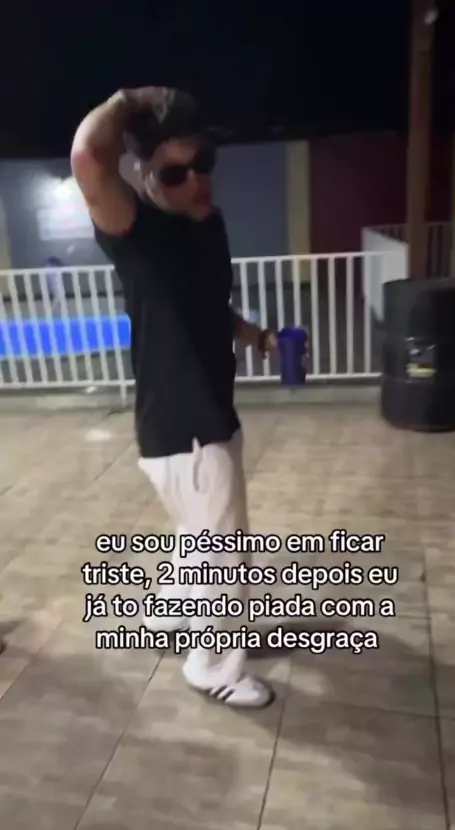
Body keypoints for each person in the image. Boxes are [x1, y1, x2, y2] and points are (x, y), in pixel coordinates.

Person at [71, 87, 278, 708]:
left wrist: (255, 335)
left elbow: (210, 306)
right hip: (184, 426)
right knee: (225, 556)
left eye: (203, 163)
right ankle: (212, 666)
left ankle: (177, 617)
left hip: (209, 413)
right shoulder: (136, 230)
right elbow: (88, 157)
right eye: (173, 173)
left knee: (199, 538)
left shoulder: (208, 227)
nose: (195, 181)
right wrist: (129, 98)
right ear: (144, 176)